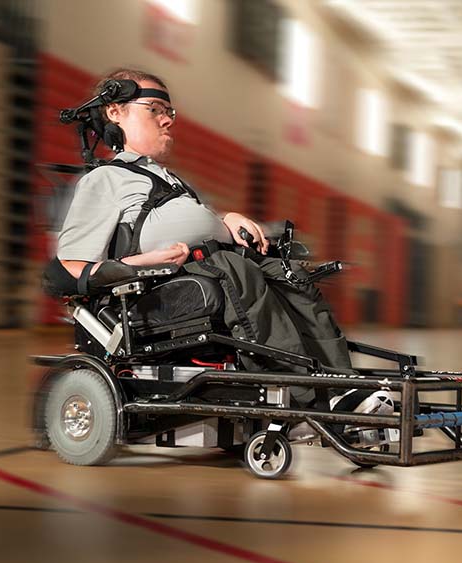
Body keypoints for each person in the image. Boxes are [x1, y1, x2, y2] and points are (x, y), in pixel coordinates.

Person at [54, 68, 377, 413]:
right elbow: (72, 268)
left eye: (169, 113)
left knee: (291, 277)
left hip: (211, 266)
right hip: (157, 290)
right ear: (116, 112)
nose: (167, 121)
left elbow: (192, 224)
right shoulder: (105, 179)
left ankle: (343, 387)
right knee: (235, 270)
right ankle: (303, 395)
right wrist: (139, 263)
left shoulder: (169, 180)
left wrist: (227, 220)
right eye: (153, 110)